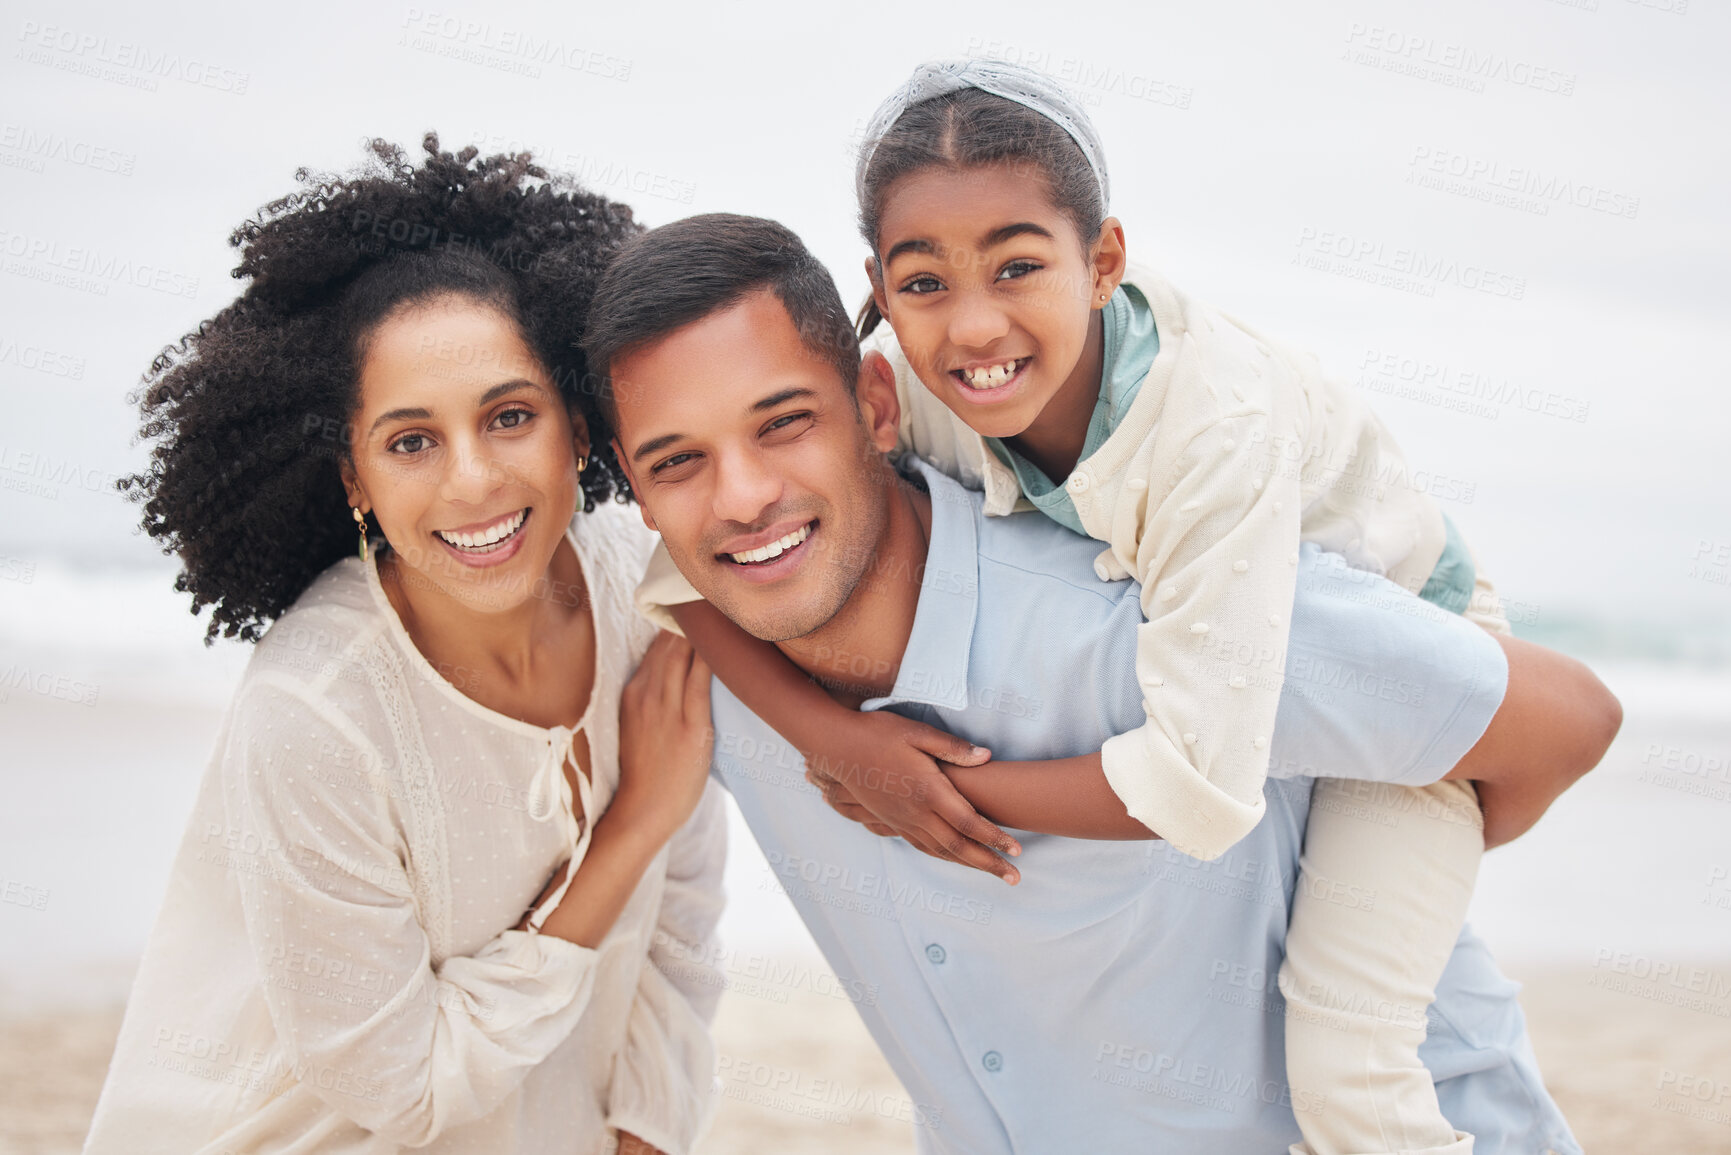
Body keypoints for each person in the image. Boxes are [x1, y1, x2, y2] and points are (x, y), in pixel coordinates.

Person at [631, 61, 1597, 1155]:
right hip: (1277, 702)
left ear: (1104, 263)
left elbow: (1197, 785)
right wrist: (839, 745)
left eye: (1018, 267)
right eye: (926, 284)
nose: (975, 324)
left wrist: (949, 789)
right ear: (883, 297)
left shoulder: (1210, 453)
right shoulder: (916, 391)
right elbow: (676, 584)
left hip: (1412, 656)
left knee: (1350, 1070)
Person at [82, 137, 723, 1155]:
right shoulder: (318, 715)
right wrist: (631, 824)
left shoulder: (650, 596)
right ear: (354, 480)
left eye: (510, 416)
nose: (470, 481)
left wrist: (644, 1131)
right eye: (411, 441)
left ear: (581, 429)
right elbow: (407, 1087)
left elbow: (679, 935)